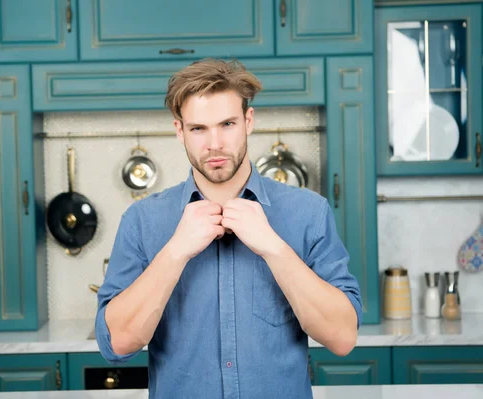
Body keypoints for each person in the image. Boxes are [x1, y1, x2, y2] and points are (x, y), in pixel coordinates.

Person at [95, 58, 362, 399]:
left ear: (248, 121)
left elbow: (342, 338)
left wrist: (274, 248)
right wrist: (175, 252)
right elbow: (116, 345)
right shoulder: (142, 221)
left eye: (227, 124)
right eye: (198, 129)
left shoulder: (309, 212)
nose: (215, 143)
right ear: (179, 131)